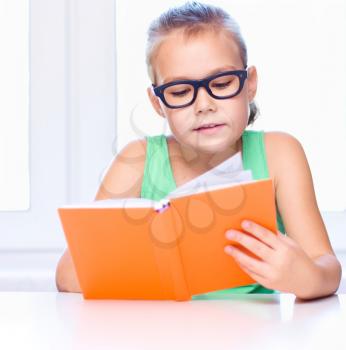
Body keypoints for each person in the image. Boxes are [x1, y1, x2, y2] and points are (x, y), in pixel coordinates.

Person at [56, 1, 342, 299]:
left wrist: (303, 276)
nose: (204, 105)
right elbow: (67, 275)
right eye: (180, 91)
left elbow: (327, 269)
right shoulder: (136, 162)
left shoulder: (280, 154)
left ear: (250, 84)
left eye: (221, 83)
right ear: (158, 103)